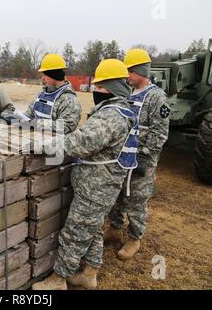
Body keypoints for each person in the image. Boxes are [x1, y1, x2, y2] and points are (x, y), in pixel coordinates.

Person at [32, 59, 139, 290]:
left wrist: (44, 146)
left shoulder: (112, 116)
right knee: (93, 231)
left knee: (74, 233)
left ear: (113, 88)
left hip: (96, 188)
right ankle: (90, 274)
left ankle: (58, 280)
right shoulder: (121, 110)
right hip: (101, 185)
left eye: (100, 88)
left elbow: (81, 142)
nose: (95, 91)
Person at [105, 49, 170, 260]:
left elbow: (160, 133)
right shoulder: (127, 93)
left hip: (142, 159)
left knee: (136, 199)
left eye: (131, 71)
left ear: (142, 71)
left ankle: (134, 238)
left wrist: (145, 157)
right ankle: (114, 229)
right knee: (117, 194)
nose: (128, 76)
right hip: (122, 156)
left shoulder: (156, 97)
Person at [24, 54, 81, 134]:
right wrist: (19, 119)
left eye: (45, 75)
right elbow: (29, 114)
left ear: (54, 75)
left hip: (55, 145)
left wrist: (37, 124)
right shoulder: (42, 93)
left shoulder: (69, 100)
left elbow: (66, 126)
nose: (42, 78)